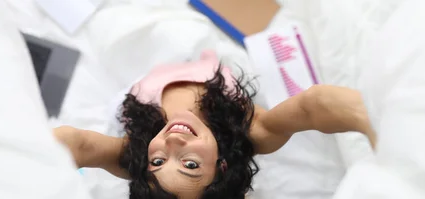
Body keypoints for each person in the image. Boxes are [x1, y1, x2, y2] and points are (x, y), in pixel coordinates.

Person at [53, 50, 375, 199]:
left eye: (159, 161)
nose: (172, 143)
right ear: (220, 167)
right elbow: (312, 106)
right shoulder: (253, 131)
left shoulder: (134, 155)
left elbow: (76, 145)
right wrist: (377, 124)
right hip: (208, 70)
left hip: (145, 84)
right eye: (190, 164)